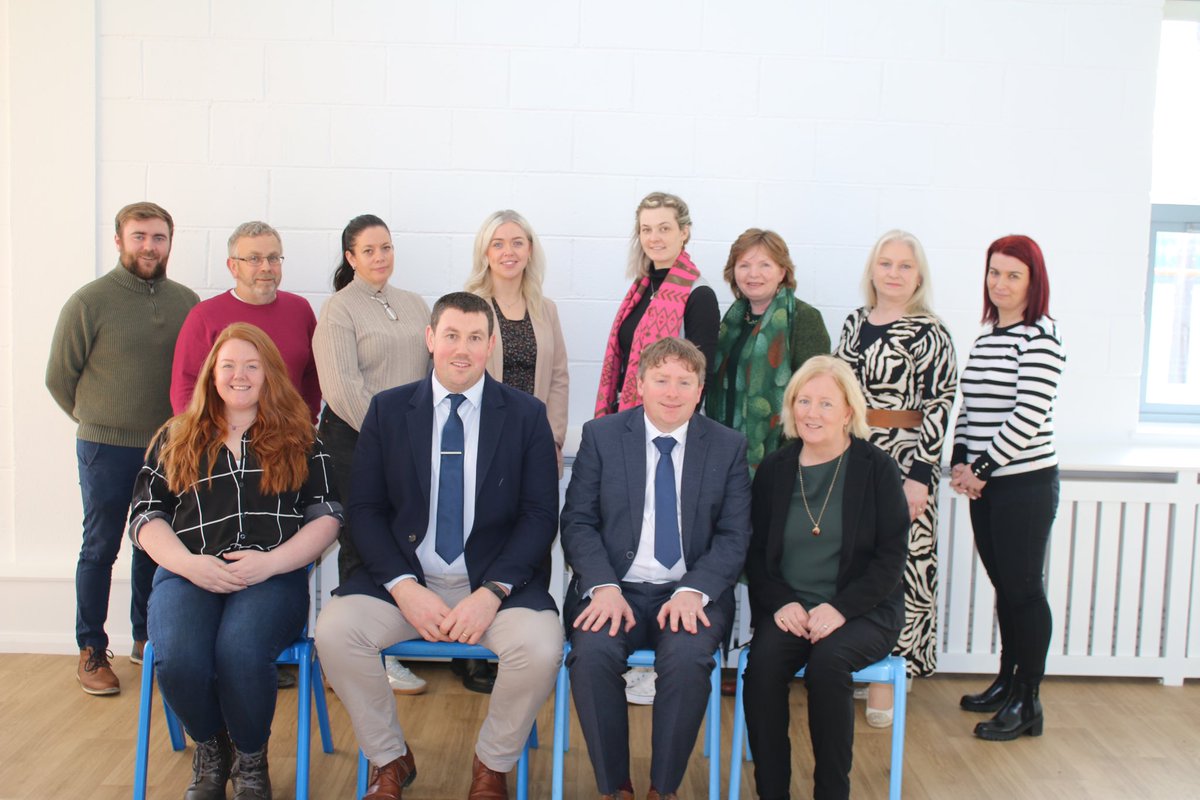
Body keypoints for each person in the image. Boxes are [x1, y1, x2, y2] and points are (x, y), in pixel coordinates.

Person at [315, 292, 563, 800]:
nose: (462, 349)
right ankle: (389, 759)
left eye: (475, 338)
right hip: (403, 584)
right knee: (335, 632)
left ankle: (491, 765)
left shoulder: (525, 415)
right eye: (451, 335)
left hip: (494, 588)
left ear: (491, 345)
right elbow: (363, 511)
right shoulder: (387, 411)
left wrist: (492, 590)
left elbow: (540, 516)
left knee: (541, 647)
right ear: (430, 339)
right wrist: (405, 588)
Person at [128, 323, 342, 800]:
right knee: (179, 656)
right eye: (229, 366)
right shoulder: (176, 436)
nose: (239, 376)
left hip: (271, 576)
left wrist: (272, 564)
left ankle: (250, 759)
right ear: (212, 374)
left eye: (252, 366)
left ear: (269, 374)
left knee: (240, 653)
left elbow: (327, 516)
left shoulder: (301, 437)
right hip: (189, 573)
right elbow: (145, 516)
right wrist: (187, 564)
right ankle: (212, 750)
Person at [562, 337, 752, 800]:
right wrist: (602, 586)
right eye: (662, 380)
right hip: (615, 588)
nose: (672, 392)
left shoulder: (727, 446)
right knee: (591, 656)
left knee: (688, 661)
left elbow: (735, 535)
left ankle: (662, 789)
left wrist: (696, 590)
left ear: (700, 388)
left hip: (688, 592)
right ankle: (615, 787)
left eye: (684, 382)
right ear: (641, 384)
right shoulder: (602, 436)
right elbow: (578, 521)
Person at [46, 201, 199, 695]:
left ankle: (146, 636)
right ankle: (91, 649)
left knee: (156, 547)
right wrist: (98, 421)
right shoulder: (89, 302)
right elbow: (59, 378)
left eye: (158, 237)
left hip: (169, 448)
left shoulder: (186, 302)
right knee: (100, 546)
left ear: (170, 243)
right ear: (119, 241)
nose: (149, 247)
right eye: (139, 237)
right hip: (105, 447)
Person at [741, 356, 908, 800]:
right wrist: (781, 602)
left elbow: (892, 559)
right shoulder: (775, 470)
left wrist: (840, 608)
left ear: (849, 412)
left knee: (828, 664)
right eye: (803, 401)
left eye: (826, 404)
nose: (812, 413)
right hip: (794, 607)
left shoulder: (877, 469)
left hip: (863, 609)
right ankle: (771, 791)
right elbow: (756, 555)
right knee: (761, 668)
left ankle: (831, 793)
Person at [834, 229, 958, 726]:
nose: (893, 273)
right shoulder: (852, 323)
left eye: (904, 266)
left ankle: (892, 678)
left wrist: (921, 476)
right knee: (855, 565)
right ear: (872, 270)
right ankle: (860, 661)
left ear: (919, 275)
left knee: (903, 567)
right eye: (885, 263)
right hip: (854, 458)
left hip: (906, 459)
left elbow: (940, 405)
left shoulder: (931, 331)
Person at [950, 235, 1064, 742]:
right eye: (994, 272)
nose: (1000, 283)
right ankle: (1006, 680)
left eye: (1013, 275)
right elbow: (970, 408)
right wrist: (958, 461)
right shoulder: (989, 336)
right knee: (1005, 589)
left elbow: (1028, 415)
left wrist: (984, 467)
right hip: (987, 485)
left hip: (1026, 486)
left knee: (1023, 590)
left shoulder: (1041, 337)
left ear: (1032, 281)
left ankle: (1029, 699)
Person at [313, 214, 431, 695]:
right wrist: (391, 440)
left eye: (386, 247)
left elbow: (430, 373)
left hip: (406, 441)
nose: (380, 257)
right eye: (369, 250)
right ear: (350, 258)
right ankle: (359, 657)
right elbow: (342, 389)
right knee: (361, 542)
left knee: (401, 540)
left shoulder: (415, 304)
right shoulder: (339, 310)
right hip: (355, 442)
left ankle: (389, 642)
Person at [171, 220, 321, 422]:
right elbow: (185, 385)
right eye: (254, 259)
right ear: (233, 266)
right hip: (225, 441)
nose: (266, 267)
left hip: (289, 439)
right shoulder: (204, 316)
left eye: (273, 258)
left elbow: (313, 375)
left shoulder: (300, 309)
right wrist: (203, 438)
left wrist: (305, 422)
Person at [708, 228, 830, 474]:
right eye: (744, 265)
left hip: (783, 456)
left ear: (782, 271)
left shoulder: (804, 319)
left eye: (765, 265)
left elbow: (816, 395)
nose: (754, 274)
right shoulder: (731, 321)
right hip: (726, 453)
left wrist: (792, 454)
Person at [594, 192, 719, 418]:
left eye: (664, 228)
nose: (654, 238)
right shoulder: (640, 289)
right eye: (646, 229)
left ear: (684, 232)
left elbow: (703, 376)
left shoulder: (699, 294)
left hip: (669, 422)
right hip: (626, 416)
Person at [465, 209, 569, 474]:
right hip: (482, 437)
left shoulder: (547, 310)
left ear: (530, 250)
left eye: (517, 243)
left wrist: (553, 438)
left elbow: (558, 378)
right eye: (497, 244)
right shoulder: (470, 308)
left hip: (534, 439)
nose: (508, 252)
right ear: (485, 252)